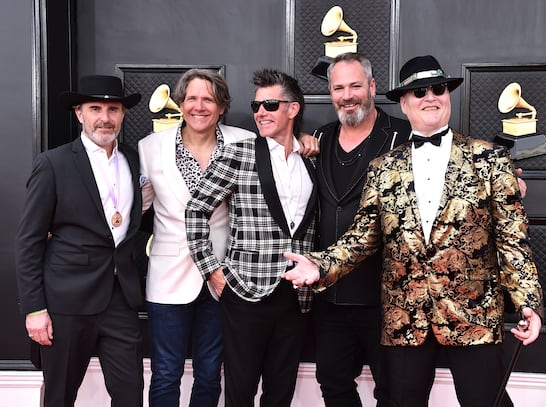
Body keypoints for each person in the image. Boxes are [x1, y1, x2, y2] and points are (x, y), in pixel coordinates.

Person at [283, 55, 544, 407]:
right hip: (405, 317)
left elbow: (513, 241)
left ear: (448, 95)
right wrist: (320, 265)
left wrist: (528, 301)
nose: (430, 97)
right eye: (419, 92)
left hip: (473, 314)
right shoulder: (383, 168)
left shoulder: (490, 159)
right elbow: (362, 237)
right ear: (404, 104)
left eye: (438, 88)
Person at [185, 68, 317, 407]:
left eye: (270, 105)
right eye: (257, 106)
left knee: (281, 391)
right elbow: (196, 210)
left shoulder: (312, 161)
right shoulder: (239, 153)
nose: (260, 112)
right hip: (244, 291)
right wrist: (212, 271)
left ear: (293, 109)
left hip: (296, 295)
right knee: (240, 392)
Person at [15, 75, 145, 407]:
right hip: (66, 303)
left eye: (113, 109)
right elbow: (29, 241)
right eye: (95, 108)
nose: (105, 117)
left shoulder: (133, 160)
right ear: (79, 114)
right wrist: (34, 309)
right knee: (59, 395)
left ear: (123, 114)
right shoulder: (53, 164)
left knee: (130, 393)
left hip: (120, 300)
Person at [138, 69, 256, 406]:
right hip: (167, 277)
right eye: (192, 98)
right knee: (165, 374)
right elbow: (133, 207)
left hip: (223, 277)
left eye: (209, 99)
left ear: (221, 106)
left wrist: (306, 141)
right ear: (180, 103)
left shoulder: (245, 142)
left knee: (209, 373)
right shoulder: (150, 147)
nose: (199, 106)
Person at [310, 52, 410, 407]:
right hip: (331, 293)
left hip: (386, 295)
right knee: (333, 384)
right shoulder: (320, 136)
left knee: (395, 390)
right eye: (339, 87)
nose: (347, 95)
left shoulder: (404, 134)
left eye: (355, 85)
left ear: (372, 87)